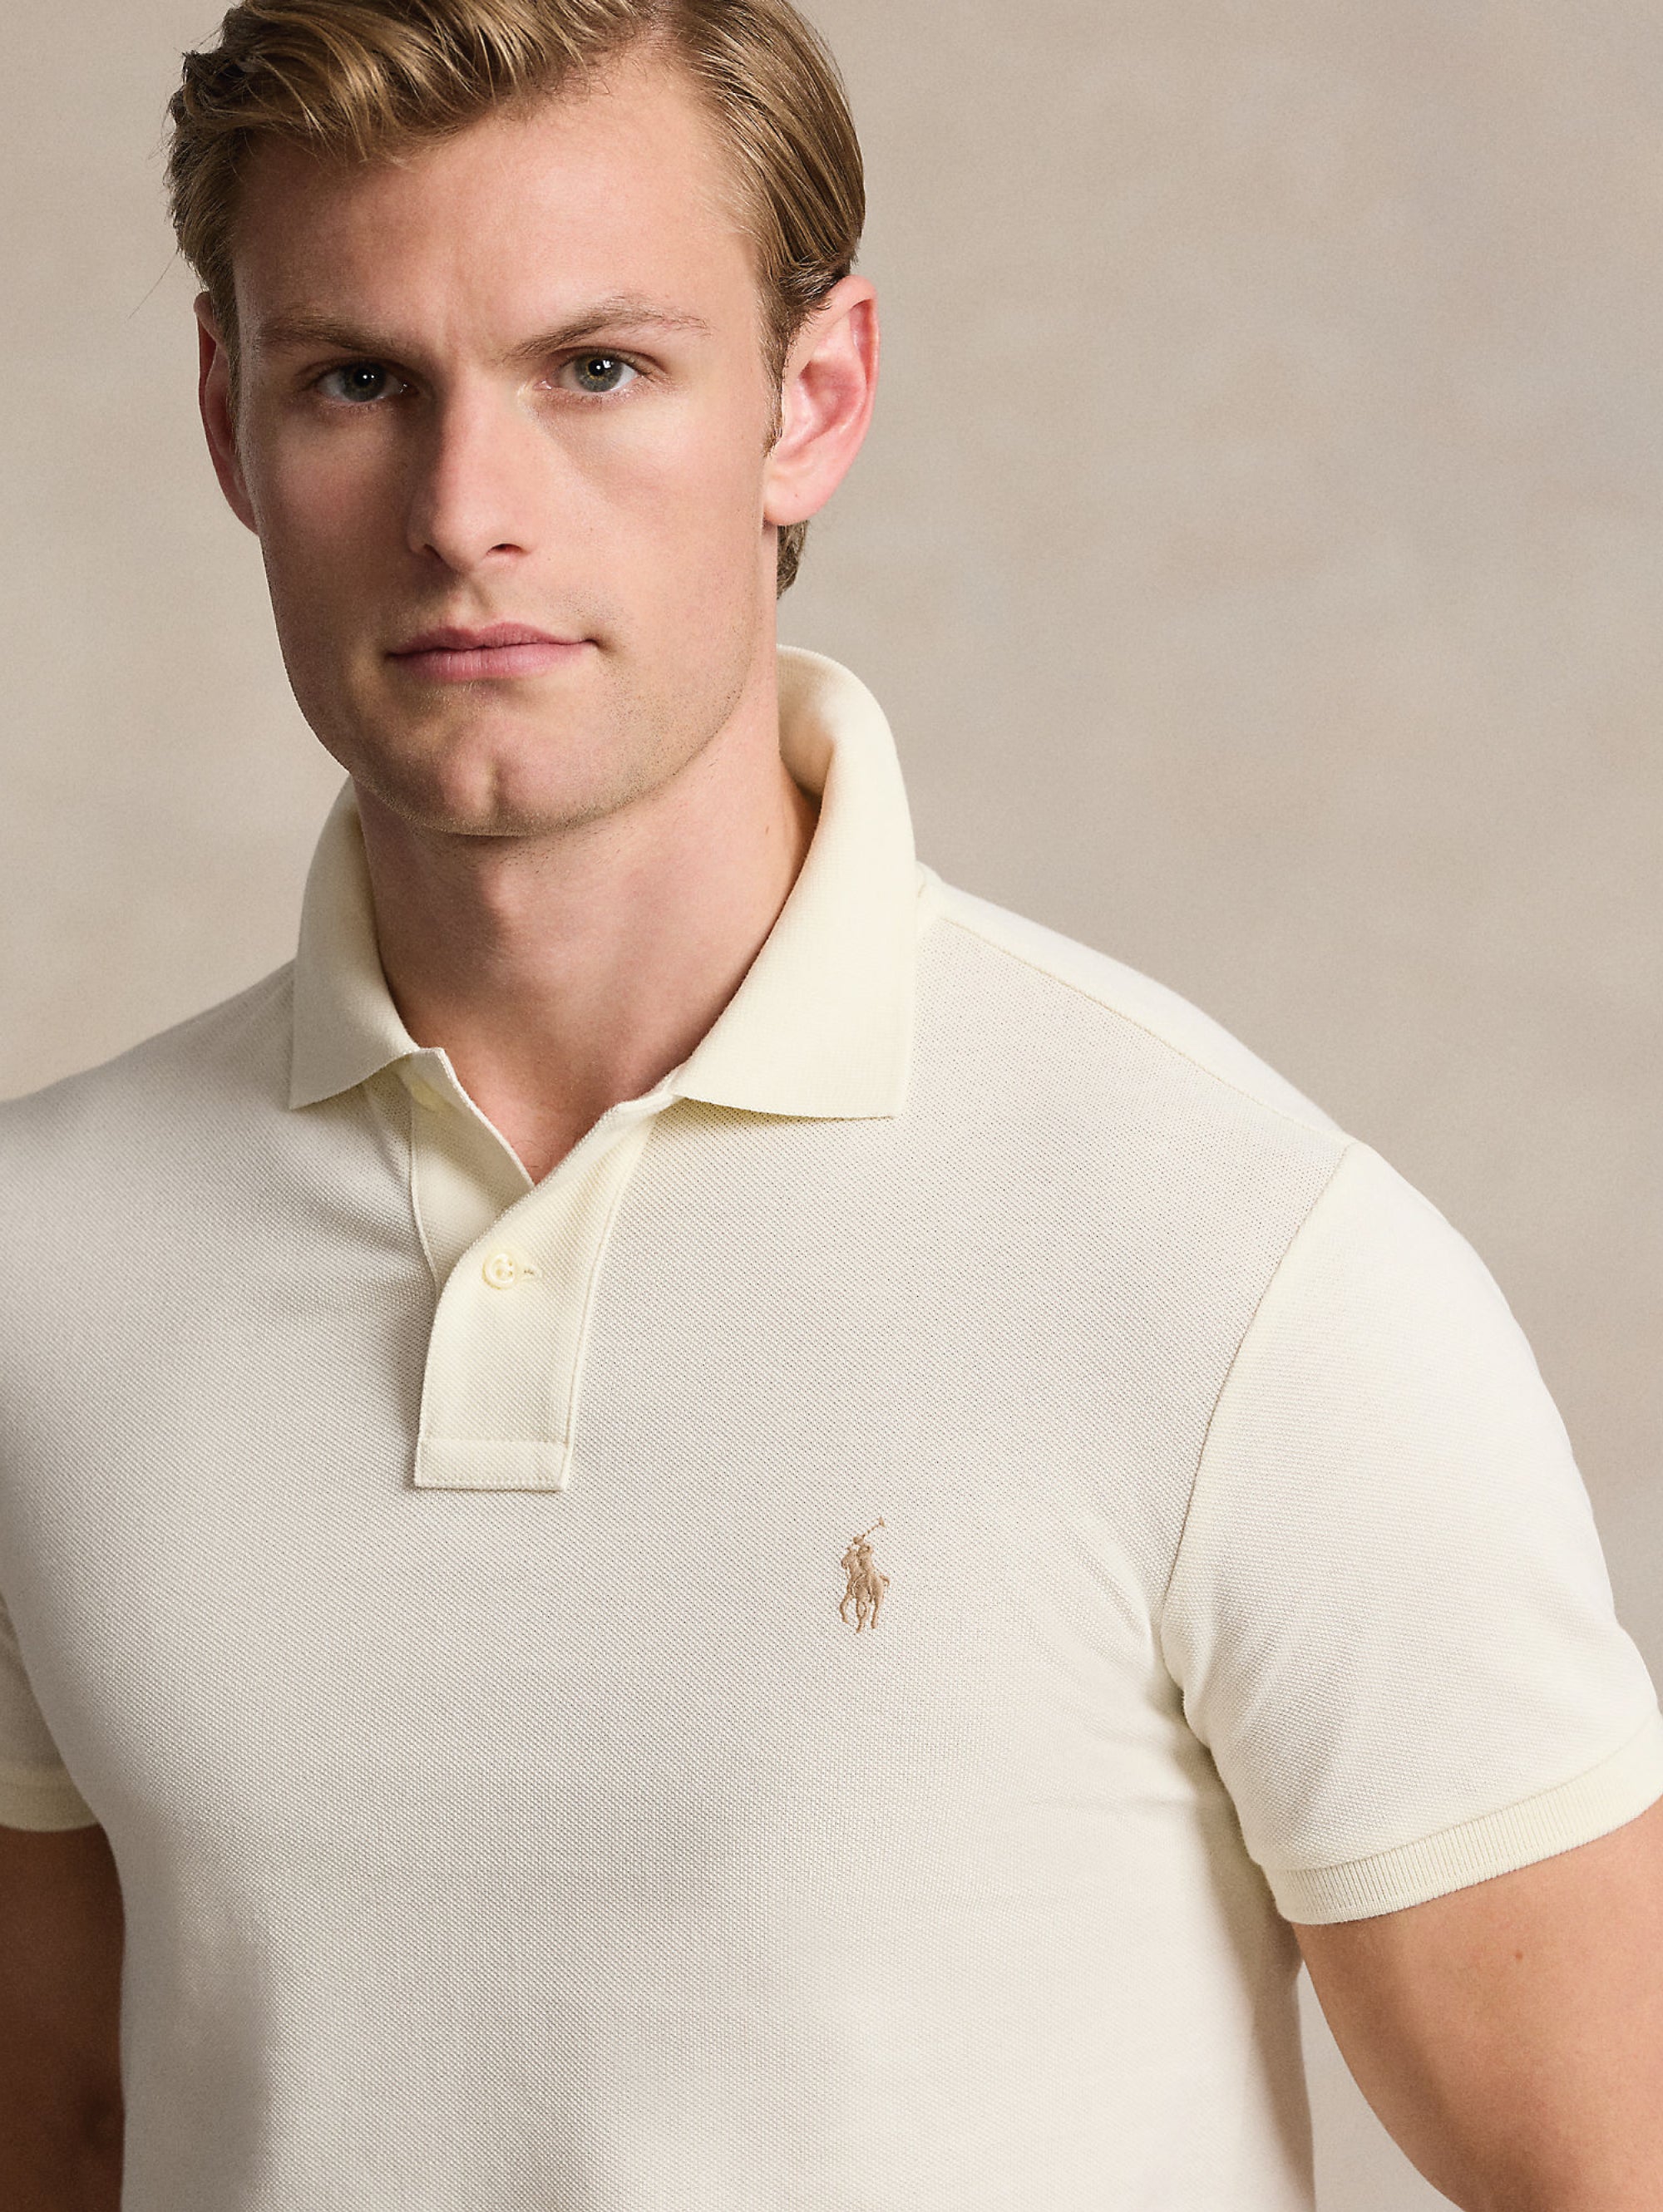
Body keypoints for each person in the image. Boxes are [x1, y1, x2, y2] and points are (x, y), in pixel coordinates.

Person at [1, 2, 1659, 2206]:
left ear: (815, 399)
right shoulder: (41, 1269)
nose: (468, 514)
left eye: (599, 370)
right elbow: (62, 2131)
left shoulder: (1237, 1270)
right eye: (360, 383)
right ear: (228, 417)